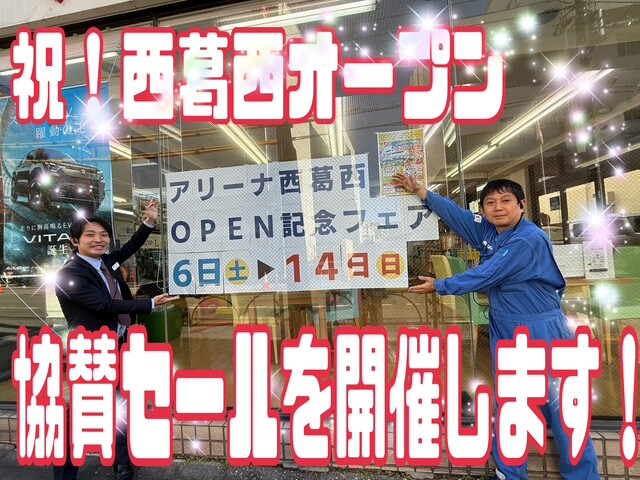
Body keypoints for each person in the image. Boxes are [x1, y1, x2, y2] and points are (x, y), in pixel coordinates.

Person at [391, 173, 600, 480]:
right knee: (511, 403)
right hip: (506, 327)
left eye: (506, 201)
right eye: (490, 202)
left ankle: (583, 476)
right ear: (484, 208)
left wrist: (441, 285)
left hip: (542, 330)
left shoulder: (528, 239)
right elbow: (459, 217)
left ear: (522, 205)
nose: (498, 207)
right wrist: (422, 192)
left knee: (563, 407)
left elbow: (489, 272)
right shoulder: (491, 231)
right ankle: (509, 474)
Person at [54, 198, 179, 480]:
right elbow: (103, 305)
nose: (98, 240)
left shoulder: (105, 262)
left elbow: (129, 248)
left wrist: (149, 222)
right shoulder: (68, 274)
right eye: (89, 235)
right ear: (75, 241)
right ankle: (64, 474)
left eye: (103, 234)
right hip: (92, 353)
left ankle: (122, 463)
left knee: (121, 406)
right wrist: (149, 304)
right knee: (81, 417)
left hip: (118, 348)